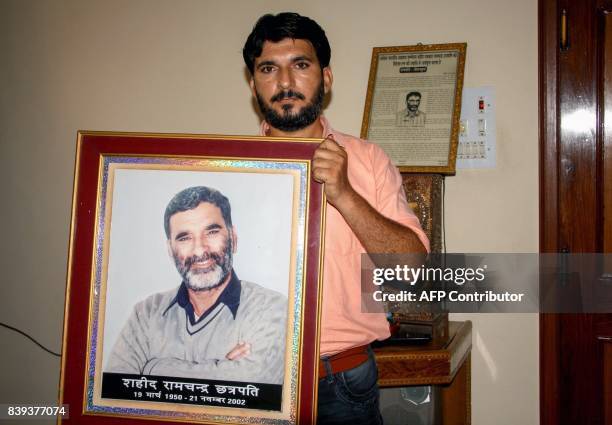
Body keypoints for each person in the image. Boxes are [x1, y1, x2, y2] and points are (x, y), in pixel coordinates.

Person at [243, 12, 429, 424]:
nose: (285, 82)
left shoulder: (368, 160)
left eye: (301, 65)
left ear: (326, 78)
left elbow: (413, 272)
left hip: (342, 381)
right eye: (269, 68)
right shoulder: (228, 169)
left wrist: (345, 194)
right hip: (250, 379)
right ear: (253, 81)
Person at [105, 186, 287, 385]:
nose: (200, 249)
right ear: (170, 249)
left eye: (212, 232)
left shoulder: (271, 308)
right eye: (184, 238)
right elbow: (116, 389)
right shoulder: (147, 313)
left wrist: (152, 369)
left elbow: (258, 385)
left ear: (233, 238)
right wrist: (223, 371)